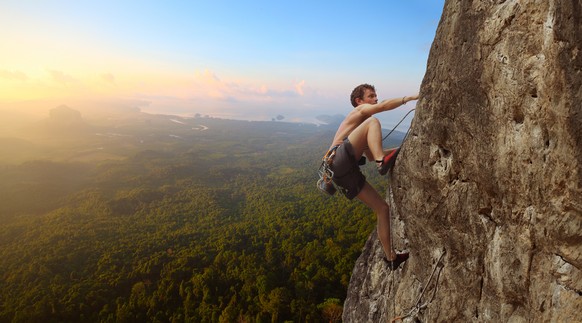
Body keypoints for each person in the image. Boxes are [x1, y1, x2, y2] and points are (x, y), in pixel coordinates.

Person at [326, 83, 418, 269]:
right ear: (359, 101)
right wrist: (408, 98)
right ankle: (382, 162)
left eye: (376, 96)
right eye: (371, 96)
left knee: (382, 209)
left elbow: (370, 155)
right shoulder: (359, 112)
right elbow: (383, 107)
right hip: (340, 160)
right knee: (373, 121)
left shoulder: (360, 132)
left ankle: (391, 258)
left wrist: (404, 149)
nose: (375, 99)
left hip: (341, 172)